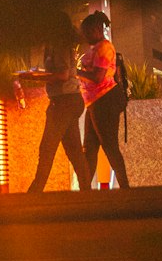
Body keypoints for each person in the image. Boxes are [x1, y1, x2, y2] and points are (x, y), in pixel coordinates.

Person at [26, 15, 93, 192]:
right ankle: (87, 192)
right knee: (74, 151)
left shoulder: (60, 45)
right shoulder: (57, 45)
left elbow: (63, 75)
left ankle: (34, 192)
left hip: (64, 101)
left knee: (47, 147)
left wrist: (37, 77)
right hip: (69, 100)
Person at [78, 10, 130, 189]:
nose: (84, 35)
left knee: (109, 145)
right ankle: (85, 189)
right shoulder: (95, 49)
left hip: (104, 100)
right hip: (94, 103)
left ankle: (125, 188)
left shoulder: (104, 47)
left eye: (87, 31)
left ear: (97, 29)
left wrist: (75, 72)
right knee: (89, 148)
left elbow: (98, 77)